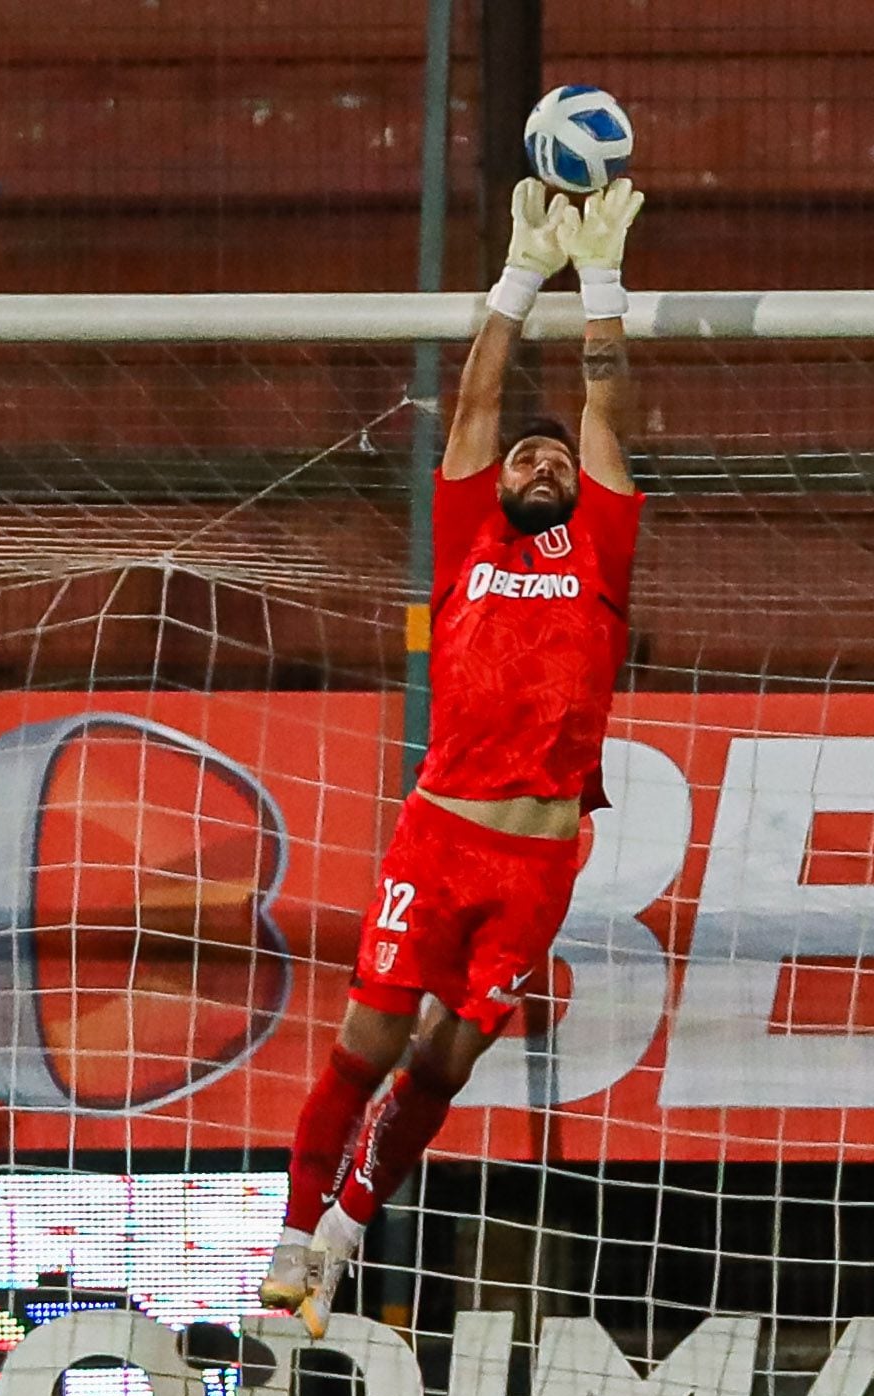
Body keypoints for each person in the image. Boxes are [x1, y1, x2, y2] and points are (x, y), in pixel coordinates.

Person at [260, 177, 648, 1337]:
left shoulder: (604, 549)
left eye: (553, 460)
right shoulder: (467, 534)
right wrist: (520, 274)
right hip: (438, 830)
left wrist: (604, 281)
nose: (538, 463)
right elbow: (477, 395)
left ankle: (341, 1239)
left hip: (535, 866)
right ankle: (291, 1228)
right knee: (365, 1043)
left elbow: (609, 408)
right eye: (526, 457)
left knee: (444, 1062)